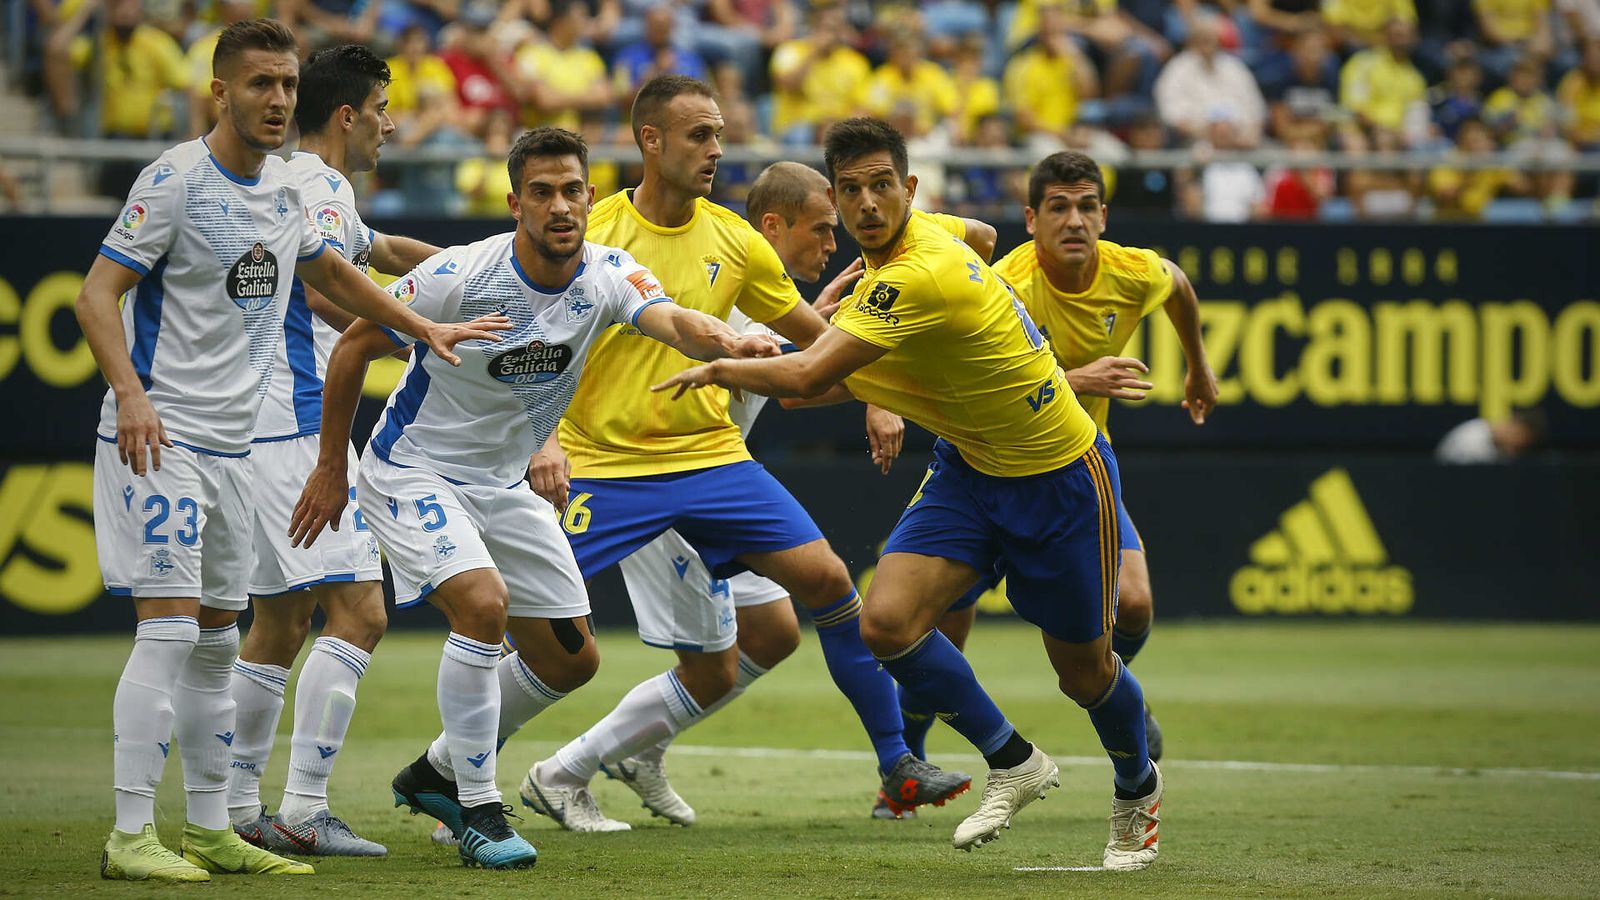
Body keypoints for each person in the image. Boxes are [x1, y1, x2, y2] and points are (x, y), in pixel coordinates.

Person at [653, 117, 1167, 869]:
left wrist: (722, 365)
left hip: (1055, 472)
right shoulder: (932, 239)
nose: (867, 204)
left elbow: (802, 383)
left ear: (909, 188)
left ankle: (1135, 786)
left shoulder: (914, 273)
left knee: (1083, 673)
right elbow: (987, 236)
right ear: (836, 194)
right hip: (968, 465)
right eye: (852, 190)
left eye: (882, 186)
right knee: (886, 623)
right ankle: (1015, 761)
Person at [287, 125, 776, 868]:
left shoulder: (609, 273)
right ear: (516, 203)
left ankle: (435, 774)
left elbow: (673, 319)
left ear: (589, 197)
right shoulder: (458, 274)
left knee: (571, 659)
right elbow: (356, 344)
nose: (561, 207)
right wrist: (331, 466)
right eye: (542, 193)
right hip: (414, 469)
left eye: (573, 191)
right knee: (483, 606)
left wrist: (731, 344)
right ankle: (479, 808)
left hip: (503, 481)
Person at [77, 18, 496, 883]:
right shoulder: (177, 181)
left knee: (226, 640)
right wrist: (129, 395)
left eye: (285, 86)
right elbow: (95, 295)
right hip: (170, 439)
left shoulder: (283, 188)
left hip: (237, 447)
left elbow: (343, 270)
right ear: (219, 93)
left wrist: (423, 322)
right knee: (173, 631)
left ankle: (215, 827)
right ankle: (135, 835)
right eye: (260, 85)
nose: (276, 101)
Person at [518, 76, 972, 834]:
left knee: (803, 607)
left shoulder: (736, 241)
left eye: (721, 133)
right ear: (650, 141)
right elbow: (531, 342)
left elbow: (815, 347)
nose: (717, 149)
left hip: (712, 465)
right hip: (614, 467)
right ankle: (464, 774)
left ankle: (896, 762)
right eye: (700, 135)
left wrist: (879, 386)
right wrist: (546, 438)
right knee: (536, 628)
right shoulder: (591, 233)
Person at [894, 149, 1220, 783]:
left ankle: (1115, 687)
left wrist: (1198, 366)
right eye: (1058, 207)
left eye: (1087, 206)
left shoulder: (1130, 272)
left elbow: (1177, 284)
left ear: (1103, 216)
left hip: (1078, 470)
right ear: (1030, 219)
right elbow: (975, 375)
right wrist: (1075, 377)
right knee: (936, 624)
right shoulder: (1006, 282)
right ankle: (905, 762)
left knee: (1135, 604)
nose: (1074, 220)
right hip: (986, 462)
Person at [222, 43, 444, 859]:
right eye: (383, 109)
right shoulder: (319, 183)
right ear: (349, 115)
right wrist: (423, 329)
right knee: (359, 612)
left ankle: (242, 809)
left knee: (279, 621)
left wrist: (474, 271)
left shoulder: (294, 184)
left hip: (253, 421)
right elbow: (322, 290)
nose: (390, 125)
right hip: (296, 424)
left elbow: (378, 250)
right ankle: (306, 808)